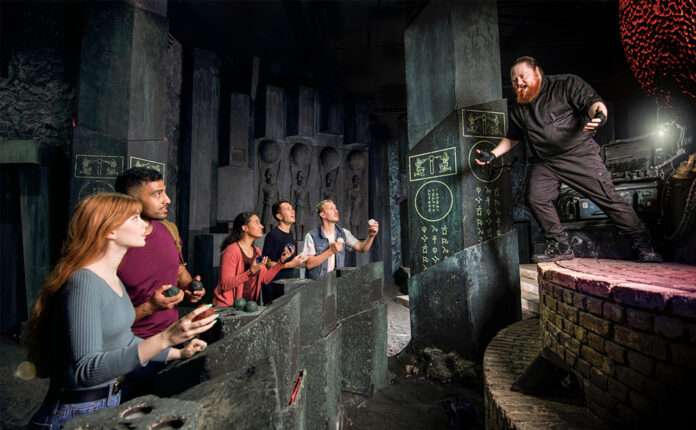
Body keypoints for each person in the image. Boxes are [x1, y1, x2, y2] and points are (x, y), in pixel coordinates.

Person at [24, 193, 217, 429]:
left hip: (108, 403)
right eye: (135, 218)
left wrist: (177, 353)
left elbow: (125, 340)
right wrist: (165, 338)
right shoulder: (84, 282)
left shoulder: (112, 277)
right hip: (75, 411)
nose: (145, 225)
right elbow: (86, 371)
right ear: (110, 231)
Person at [476, 56, 661, 263]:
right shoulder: (519, 106)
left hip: (578, 154)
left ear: (537, 72)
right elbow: (513, 136)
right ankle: (560, 245)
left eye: (522, 76)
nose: (518, 82)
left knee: (608, 199)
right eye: (514, 79)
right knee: (536, 197)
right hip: (546, 161)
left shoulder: (566, 84)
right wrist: (492, 154)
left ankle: (644, 244)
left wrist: (600, 117)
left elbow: (594, 104)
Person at [114, 167, 205, 339]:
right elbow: (104, 322)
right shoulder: (113, 242)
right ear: (131, 200)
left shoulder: (168, 229)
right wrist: (150, 307)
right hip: (132, 343)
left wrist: (189, 287)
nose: (167, 200)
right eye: (157, 194)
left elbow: (178, 269)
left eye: (165, 192)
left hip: (173, 334)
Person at [214, 212, 305, 307]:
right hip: (229, 307)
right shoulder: (231, 250)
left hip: (248, 306)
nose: (261, 226)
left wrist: (281, 262)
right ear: (245, 228)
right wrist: (250, 272)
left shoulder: (257, 251)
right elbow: (225, 285)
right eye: (256, 222)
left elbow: (265, 279)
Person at [302, 199, 379, 280]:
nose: (336, 211)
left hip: (336, 282)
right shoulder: (312, 236)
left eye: (336, 208)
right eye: (331, 208)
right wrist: (330, 251)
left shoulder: (343, 233)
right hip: (317, 284)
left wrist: (371, 236)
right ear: (323, 214)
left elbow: (362, 248)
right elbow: (309, 264)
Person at [261, 200, 298, 304]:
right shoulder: (272, 235)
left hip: (287, 284)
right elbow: (266, 262)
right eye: (287, 209)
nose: (292, 211)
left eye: (292, 208)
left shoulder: (290, 234)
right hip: (274, 285)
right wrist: (290, 264)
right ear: (279, 216)